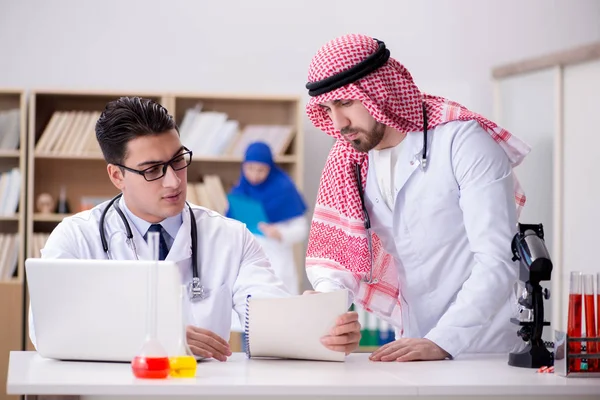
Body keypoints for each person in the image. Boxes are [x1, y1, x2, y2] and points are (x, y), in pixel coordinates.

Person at [28, 96, 361, 360]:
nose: (174, 180)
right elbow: (48, 331)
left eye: (177, 160)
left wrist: (317, 327)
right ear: (117, 176)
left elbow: (269, 316)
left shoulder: (231, 237)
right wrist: (156, 337)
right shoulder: (76, 237)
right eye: (152, 170)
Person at [303, 34, 531, 362]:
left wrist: (443, 340)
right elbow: (338, 259)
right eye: (327, 108)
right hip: (411, 344)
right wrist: (330, 312)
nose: (338, 124)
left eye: (345, 103)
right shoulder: (350, 159)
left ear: (378, 90)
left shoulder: (462, 141)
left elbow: (497, 259)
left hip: (484, 348)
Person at [226, 141, 308, 295]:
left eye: (261, 170)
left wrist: (280, 233)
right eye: (250, 168)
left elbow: (301, 229)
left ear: (270, 168)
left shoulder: (284, 189)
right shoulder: (239, 191)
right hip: (246, 266)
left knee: (280, 313)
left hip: (277, 265)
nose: (255, 175)